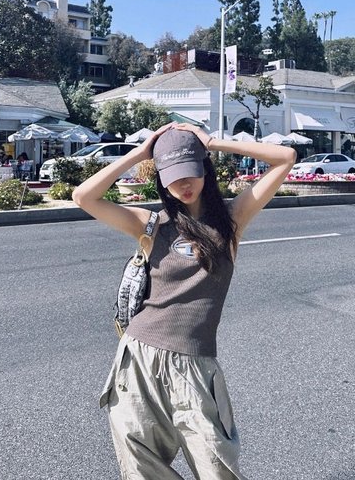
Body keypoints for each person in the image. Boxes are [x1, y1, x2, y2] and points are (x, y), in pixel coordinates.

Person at [72, 122, 296, 480]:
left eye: (190, 172)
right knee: (141, 467)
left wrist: (213, 142)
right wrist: (140, 154)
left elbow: (285, 158)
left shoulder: (231, 221)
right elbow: (83, 197)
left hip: (195, 365)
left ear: (204, 168)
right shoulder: (151, 225)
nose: (184, 184)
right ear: (162, 181)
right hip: (138, 358)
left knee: (217, 468)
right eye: (173, 177)